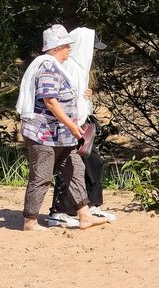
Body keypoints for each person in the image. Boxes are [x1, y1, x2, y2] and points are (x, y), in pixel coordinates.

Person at [17, 24, 104, 234]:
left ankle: (84, 215)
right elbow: (50, 101)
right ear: (56, 47)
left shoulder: (57, 67)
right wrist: (73, 125)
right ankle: (30, 220)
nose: (69, 50)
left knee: (75, 169)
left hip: (61, 135)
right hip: (44, 133)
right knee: (42, 175)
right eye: (66, 46)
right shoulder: (47, 66)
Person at [45, 26, 114, 225]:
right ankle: (59, 211)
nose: (94, 52)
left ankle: (91, 206)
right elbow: (58, 98)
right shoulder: (70, 68)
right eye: (92, 47)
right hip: (71, 126)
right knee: (70, 167)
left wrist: (87, 96)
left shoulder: (80, 68)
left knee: (92, 163)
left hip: (81, 124)